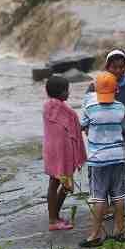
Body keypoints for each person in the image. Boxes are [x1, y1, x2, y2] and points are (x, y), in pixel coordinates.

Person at [79, 72, 125, 247]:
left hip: (98, 159)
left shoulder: (90, 107)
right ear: (116, 89)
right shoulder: (121, 107)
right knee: (119, 195)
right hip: (118, 157)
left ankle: (95, 235)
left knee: (99, 197)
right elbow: (122, 124)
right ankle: (119, 230)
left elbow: (82, 125)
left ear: (95, 89)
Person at [42, 76, 86, 231]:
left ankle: (54, 216)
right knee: (64, 185)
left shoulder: (47, 106)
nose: (68, 93)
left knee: (55, 184)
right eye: (66, 90)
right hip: (61, 154)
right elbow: (75, 127)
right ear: (60, 92)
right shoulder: (65, 110)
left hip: (51, 151)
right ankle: (53, 220)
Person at [87, 49, 125, 165]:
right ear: (107, 67)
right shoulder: (95, 85)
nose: (118, 70)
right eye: (114, 67)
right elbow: (87, 108)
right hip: (102, 135)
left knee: (122, 165)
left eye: (121, 67)